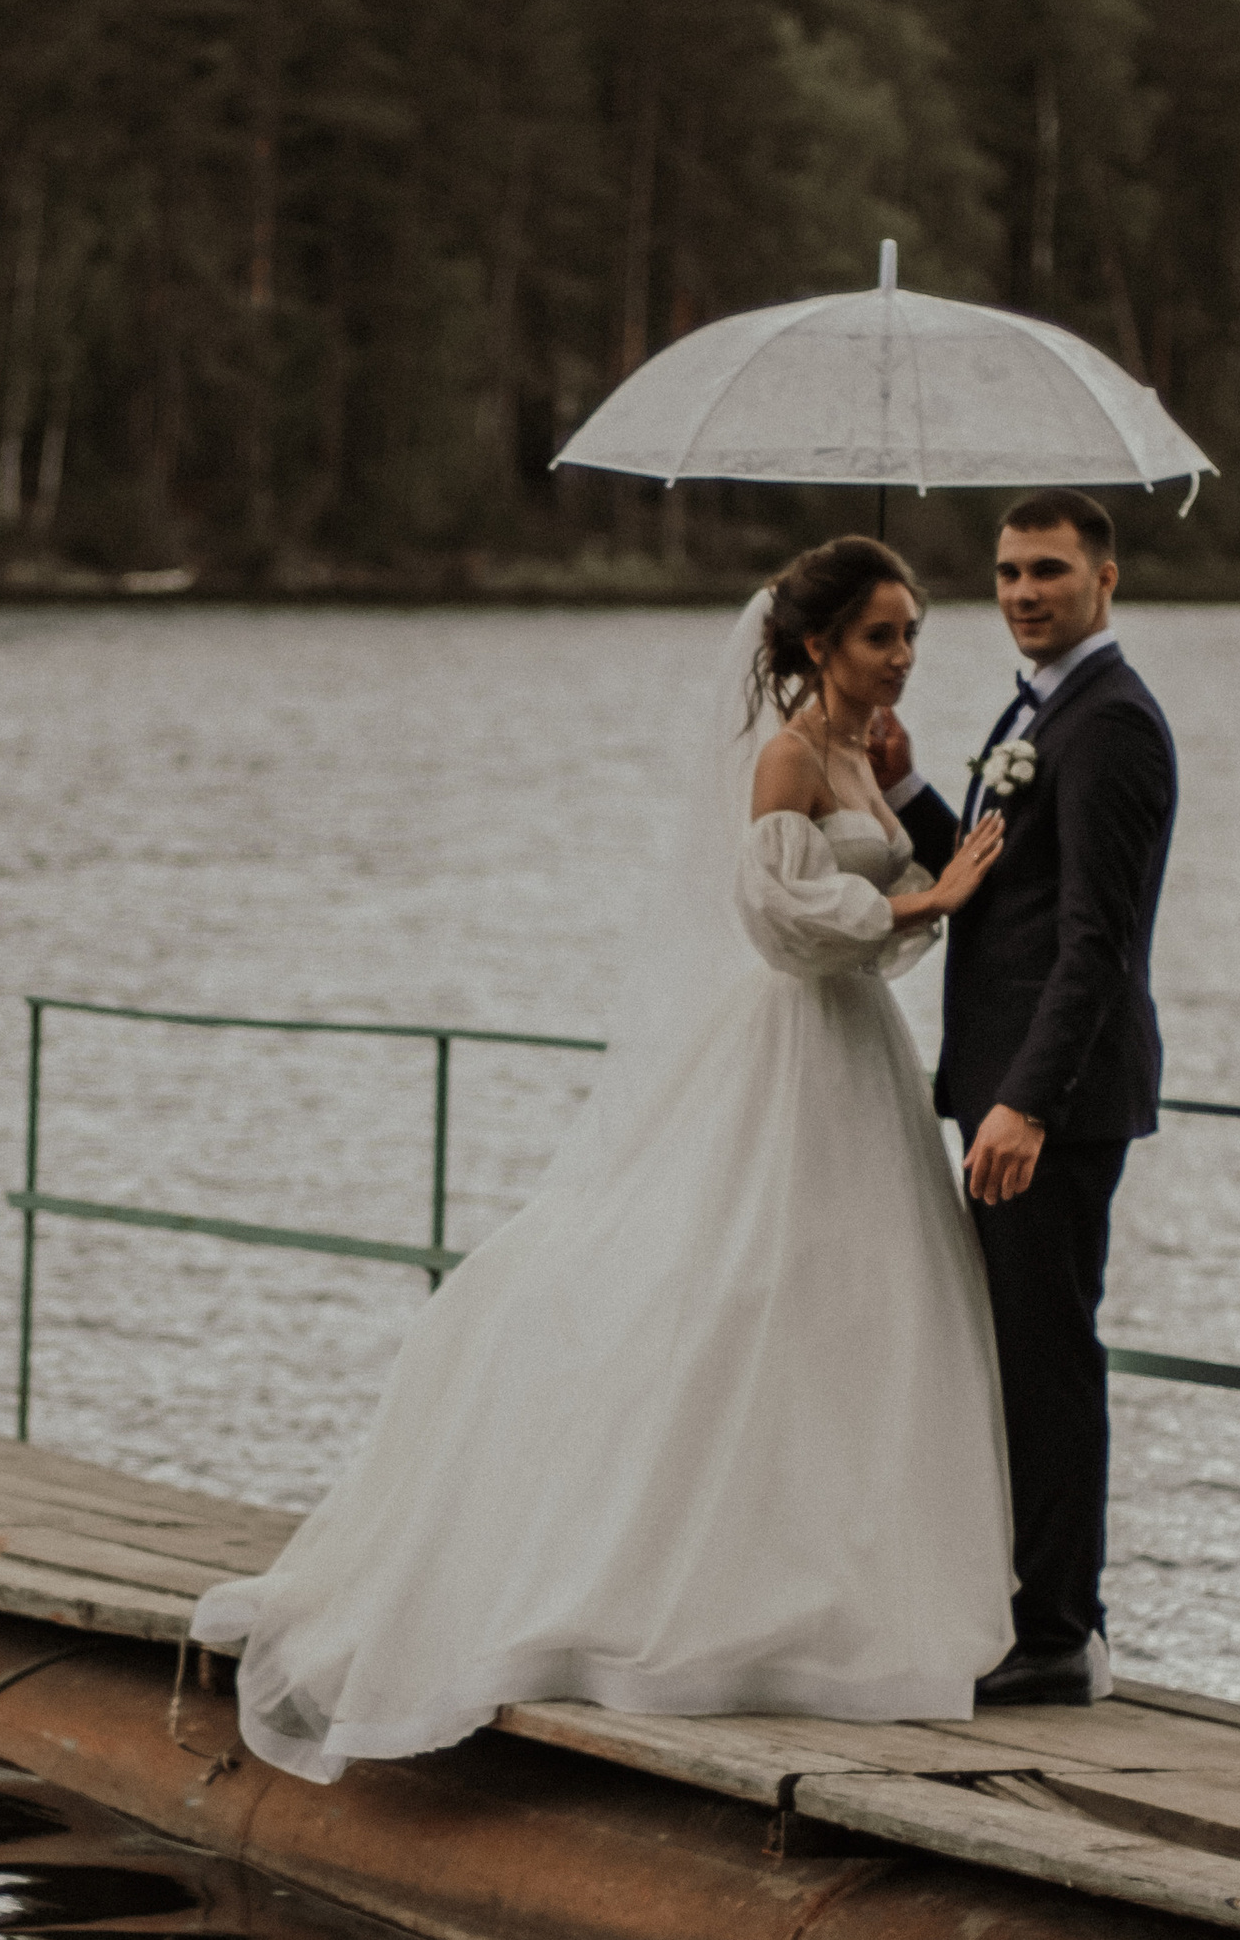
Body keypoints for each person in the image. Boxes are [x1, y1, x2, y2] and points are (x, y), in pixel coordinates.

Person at [191, 538, 1016, 1784]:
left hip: (859, 1053)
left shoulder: (864, 753)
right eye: (878, 635)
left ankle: (833, 1575)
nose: (902, 656)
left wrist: (909, 833)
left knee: (861, 1304)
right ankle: (674, 1581)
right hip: (790, 1044)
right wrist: (924, 903)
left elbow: (876, 913)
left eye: (911, 635)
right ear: (817, 646)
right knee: (742, 1285)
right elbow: (781, 921)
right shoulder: (790, 755)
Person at [881, 489, 1178, 1706]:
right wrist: (907, 788)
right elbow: (1001, 889)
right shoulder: (1036, 709)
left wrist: (1029, 1104)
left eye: (1047, 570)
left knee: (1048, 1359)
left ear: (1105, 578)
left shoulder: (1111, 723)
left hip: (1050, 1106)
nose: (1021, 592)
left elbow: (1096, 941)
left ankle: (1059, 1631)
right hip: (1007, 1094)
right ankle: (1023, 1609)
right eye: (1006, 572)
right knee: (1011, 1353)